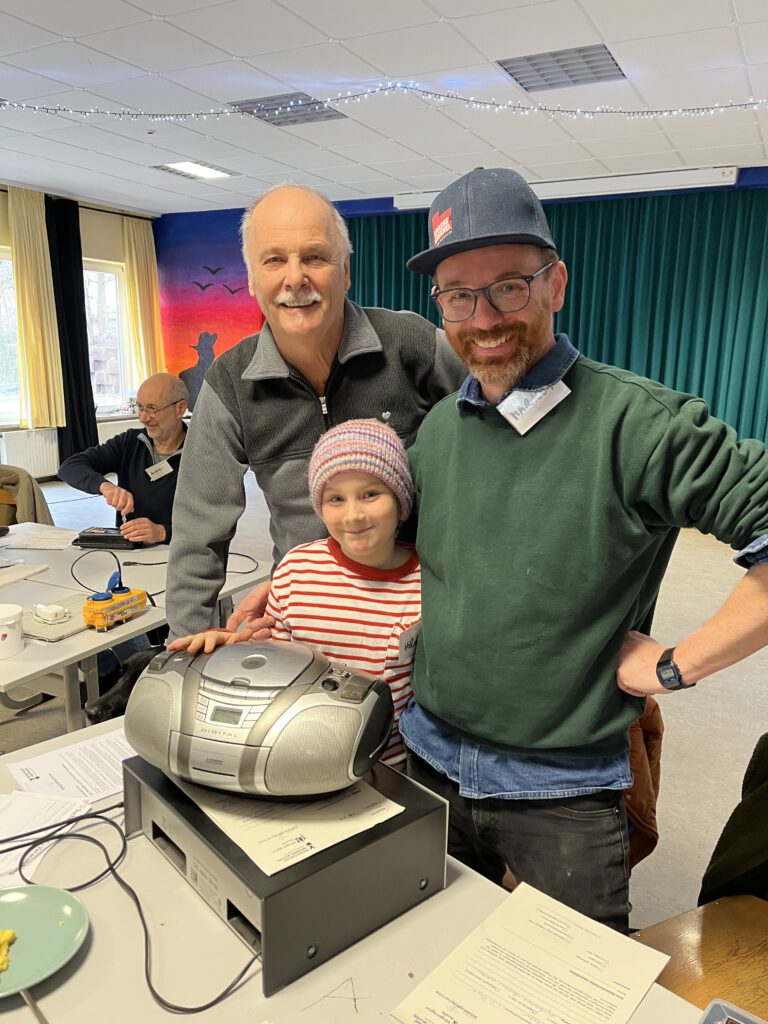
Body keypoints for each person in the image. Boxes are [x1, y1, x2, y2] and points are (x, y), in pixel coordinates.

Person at [397, 166, 768, 933]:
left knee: (571, 985)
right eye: (458, 295)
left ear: (556, 284)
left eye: (508, 287)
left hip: (559, 792)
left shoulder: (640, 424)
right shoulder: (438, 430)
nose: (483, 318)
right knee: (423, 953)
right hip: (429, 758)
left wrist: (677, 664)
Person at [165, 183, 466, 640]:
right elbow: (197, 530)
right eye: (274, 260)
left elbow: (498, 429)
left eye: (315, 257)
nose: (295, 278)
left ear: (345, 271)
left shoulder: (414, 345)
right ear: (251, 279)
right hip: (307, 616)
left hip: (419, 609)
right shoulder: (229, 382)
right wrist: (186, 648)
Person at [169, 418, 420, 768]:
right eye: (336, 498)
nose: (353, 515)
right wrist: (233, 651)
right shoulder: (296, 569)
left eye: (370, 494)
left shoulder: (427, 582)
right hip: (296, 760)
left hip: (388, 767)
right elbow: (275, 666)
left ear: (400, 499)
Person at [59, 373, 188, 545]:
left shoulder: (203, 452)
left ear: (180, 408)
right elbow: (70, 466)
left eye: (152, 409)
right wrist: (105, 487)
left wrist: (163, 532)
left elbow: (214, 523)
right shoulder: (130, 443)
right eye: (140, 408)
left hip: (179, 553)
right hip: (131, 553)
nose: (143, 418)